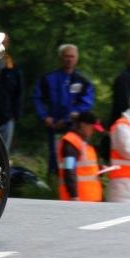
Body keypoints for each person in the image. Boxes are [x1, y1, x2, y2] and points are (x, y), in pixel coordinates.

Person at [33, 44, 95, 175]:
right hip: (54, 126)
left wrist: (68, 119)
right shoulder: (48, 79)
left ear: (76, 58)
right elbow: (37, 98)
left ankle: (70, 180)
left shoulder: (83, 81)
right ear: (61, 58)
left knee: (72, 157)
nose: (69, 59)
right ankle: (54, 181)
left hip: (74, 128)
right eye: (66, 56)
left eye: (72, 56)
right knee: (55, 156)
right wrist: (44, 116)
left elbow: (86, 103)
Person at [57, 111, 104, 201]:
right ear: (83, 125)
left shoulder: (82, 143)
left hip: (89, 200)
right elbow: (69, 170)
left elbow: (82, 169)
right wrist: (74, 196)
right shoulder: (70, 143)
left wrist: (98, 168)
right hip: (78, 201)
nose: (93, 131)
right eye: (92, 128)